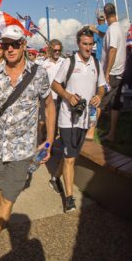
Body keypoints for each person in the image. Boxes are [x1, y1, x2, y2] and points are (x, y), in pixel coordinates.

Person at [0, 25, 55, 261]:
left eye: (14, 44)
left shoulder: (39, 74)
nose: (9, 49)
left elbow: (49, 106)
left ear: (23, 45)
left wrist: (49, 141)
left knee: (8, 200)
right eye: (5, 45)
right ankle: (2, 217)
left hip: (23, 150)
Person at [50, 27, 105, 212]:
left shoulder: (96, 64)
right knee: (70, 159)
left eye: (91, 44)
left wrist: (99, 95)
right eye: (85, 44)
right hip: (67, 119)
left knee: (71, 155)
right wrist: (67, 95)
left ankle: (54, 178)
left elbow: (102, 86)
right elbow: (55, 84)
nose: (88, 48)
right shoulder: (69, 62)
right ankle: (69, 197)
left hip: (85, 119)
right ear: (78, 44)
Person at [100, 3, 126, 143]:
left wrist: (107, 73)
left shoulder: (112, 30)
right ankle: (111, 133)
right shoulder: (119, 28)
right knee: (115, 104)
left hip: (113, 73)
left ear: (105, 15)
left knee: (99, 102)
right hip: (120, 72)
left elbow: (113, 49)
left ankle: (90, 132)